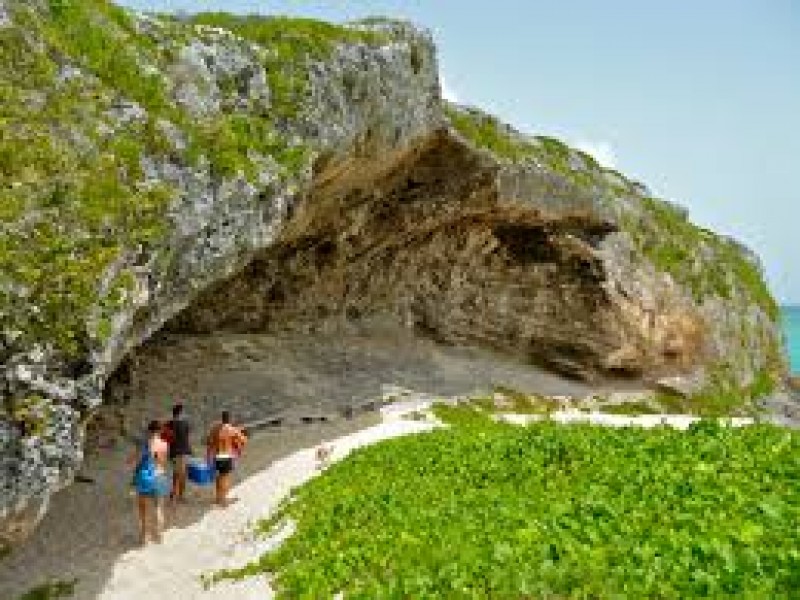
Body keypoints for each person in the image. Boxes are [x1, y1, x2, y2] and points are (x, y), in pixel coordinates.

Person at [129, 420, 171, 545]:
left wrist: (130, 461)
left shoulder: (144, 444)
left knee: (144, 510)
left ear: (149, 430)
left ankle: (144, 538)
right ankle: (159, 536)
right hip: (159, 476)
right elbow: (163, 462)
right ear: (160, 431)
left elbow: (136, 459)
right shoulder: (164, 444)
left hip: (144, 477)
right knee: (159, 508)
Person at [206, 411, 247, 507]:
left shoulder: (215, 429)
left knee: (219, 477)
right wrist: (238, 437)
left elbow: (209, 443)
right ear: (230, 419)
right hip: (227, 456)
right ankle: (224, 500)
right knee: (225, 478)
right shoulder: (232, 429)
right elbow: (244, 440)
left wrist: (208, 456)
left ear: (222, 419)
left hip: (217, 455)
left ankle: (218, 498)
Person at [167, 403, 192, 503]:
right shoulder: (184, 424)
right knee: (182, 475)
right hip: (181, 452)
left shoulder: (169, 424)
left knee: (176, 473)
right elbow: (186, 438)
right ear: (180, 412)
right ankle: (179, 496)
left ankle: (173, 494)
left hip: (172, 452)